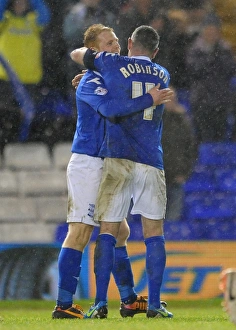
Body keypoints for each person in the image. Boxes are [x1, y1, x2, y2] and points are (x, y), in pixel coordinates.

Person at [52, 24, 173, 319]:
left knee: (121, 231)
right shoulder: (90, 81)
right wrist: (149, 99)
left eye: (117, 41)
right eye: (108, 43)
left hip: (106, 160)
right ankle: (64, 304)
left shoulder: (110, 75)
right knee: (80, 231)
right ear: (94, 51)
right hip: (88, 161)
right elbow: (111, 109)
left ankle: (129, 299)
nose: (116, 47)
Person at [0, 0, 51, 144]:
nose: (20, 4)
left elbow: (45, 15)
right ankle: (5, 144)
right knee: (6, 115)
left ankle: (24, 143)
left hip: (30, 78)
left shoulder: (34, 20)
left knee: (28, 115)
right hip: (6, 78)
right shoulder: (5, 20)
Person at [186, 13, 236, 144]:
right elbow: (195, 70)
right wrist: (212, 59)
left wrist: (213, 59)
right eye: (209, 30)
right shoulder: (195, 50)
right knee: (203, 137)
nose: (211, 34)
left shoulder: (225, 49)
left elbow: (229, 69)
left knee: (219, 137)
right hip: (201, 101)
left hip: (221, 100)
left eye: (214, 31)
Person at [162, 86, 197, 220]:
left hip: (176, 176)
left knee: (173, 219)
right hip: (157, 177)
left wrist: (185, 172)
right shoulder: (153, 121)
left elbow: (191, 149)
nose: (170, 101)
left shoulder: (183, 121)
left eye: (172, 98)